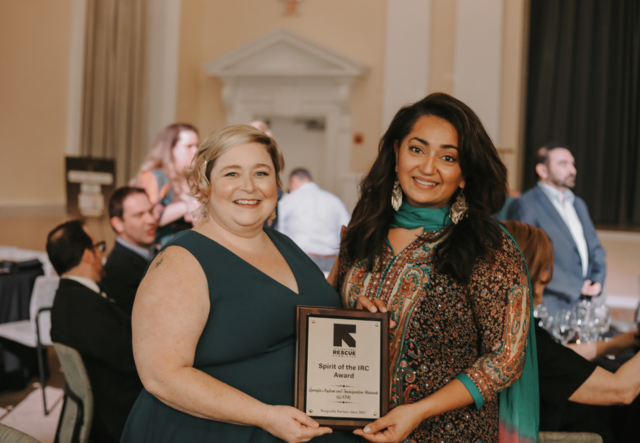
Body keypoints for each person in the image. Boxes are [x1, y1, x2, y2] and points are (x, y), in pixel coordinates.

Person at [121, 125, 358, 443]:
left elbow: (302, 309)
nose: (249, 187)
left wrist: (356, 302)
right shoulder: (181, 261)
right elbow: (161, 376)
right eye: (231, 174)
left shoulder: (283, 243)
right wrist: (266, 415)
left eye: (261, 173)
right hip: (212, 432)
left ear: (277, 184)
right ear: (205, 186)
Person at [330, 93, 538, 443]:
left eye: (447, 157)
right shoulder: (363, 231)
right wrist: (350, 313)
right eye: (417, 149)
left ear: (464, 174)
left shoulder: (488, 246)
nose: (428, 167)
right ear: (396, 153)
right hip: (350, 430)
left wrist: (419, 411)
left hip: (447, 434)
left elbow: (505, 359)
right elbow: (323, 319)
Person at [502, 220, 640, 443]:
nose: (549, 277)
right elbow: (622, 391)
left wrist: (616, 344)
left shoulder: (513, 329)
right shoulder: (522, 342)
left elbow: (559, 356)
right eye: (545, 267)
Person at [47, 220, 142, 443]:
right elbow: (132, 359)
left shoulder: (70, 297)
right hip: (120, 412)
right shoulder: (82, 306)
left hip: (109, 399)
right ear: (87, 255)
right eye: (99, 247)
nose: (102, 254)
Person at [506, 143, 606, 316]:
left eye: (572, 164)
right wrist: (576, 285)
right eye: (563, 164)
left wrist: (597, 280)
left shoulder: (578, 204)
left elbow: (595, 248)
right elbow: (526, 259)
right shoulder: (526, 205)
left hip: (583, 305)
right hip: (549, 307)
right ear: (542, 170)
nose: (572, 170)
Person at [133, 123, 200, 247]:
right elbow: (147, 217)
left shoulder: (196, 179)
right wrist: (185, 207)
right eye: (189, 146)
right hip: (162, 252)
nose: (196, 151)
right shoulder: (155, 177)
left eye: (197, 145)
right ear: (171, 149)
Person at [277, 168, 350, 273]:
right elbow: (347, 228)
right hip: (332, 258)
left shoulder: (289, 199)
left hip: (302, 256)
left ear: (293, 181)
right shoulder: (334, 199)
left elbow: (280, 230)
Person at [103, 187, 157, 316]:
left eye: (151, 211)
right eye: (139, 215)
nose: (151, 220)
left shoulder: (157, 252)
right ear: (118, 224)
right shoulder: (118, 269)